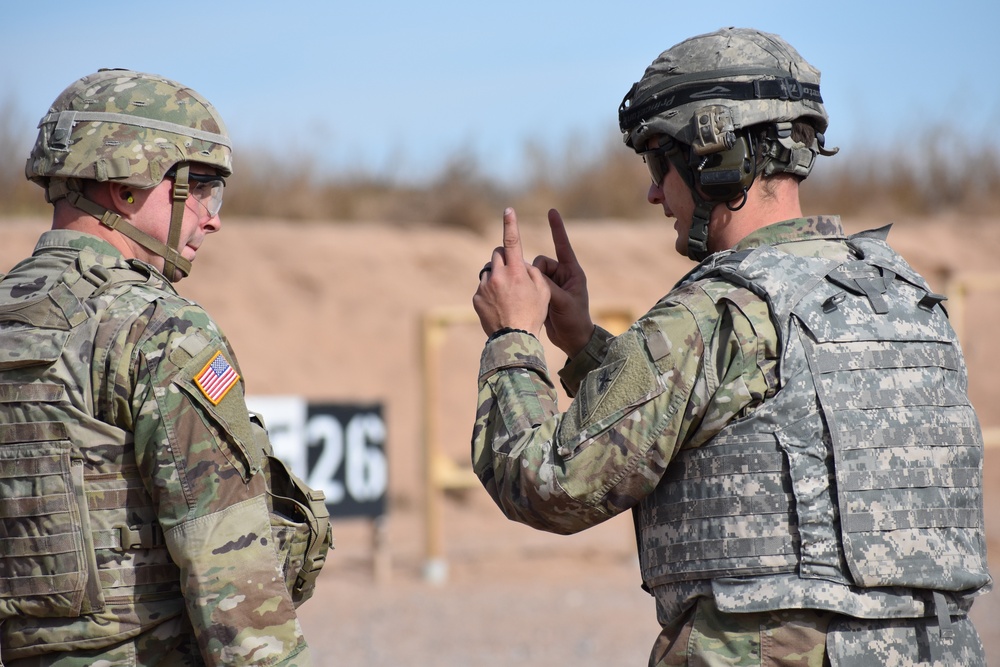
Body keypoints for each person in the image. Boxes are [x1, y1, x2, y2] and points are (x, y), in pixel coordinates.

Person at [471, 27, 991, 666]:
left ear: (715, 156)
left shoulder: (714, 311)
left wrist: (514, 337)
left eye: (660, 163)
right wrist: (581, 343)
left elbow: (547, 482)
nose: (655, 191)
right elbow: (742, 416)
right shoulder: (905, 298)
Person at [0, 69, 331, 666]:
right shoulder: (159, 329)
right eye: (200, 187)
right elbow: (234, 582)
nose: (212, 217)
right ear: (126, 188)